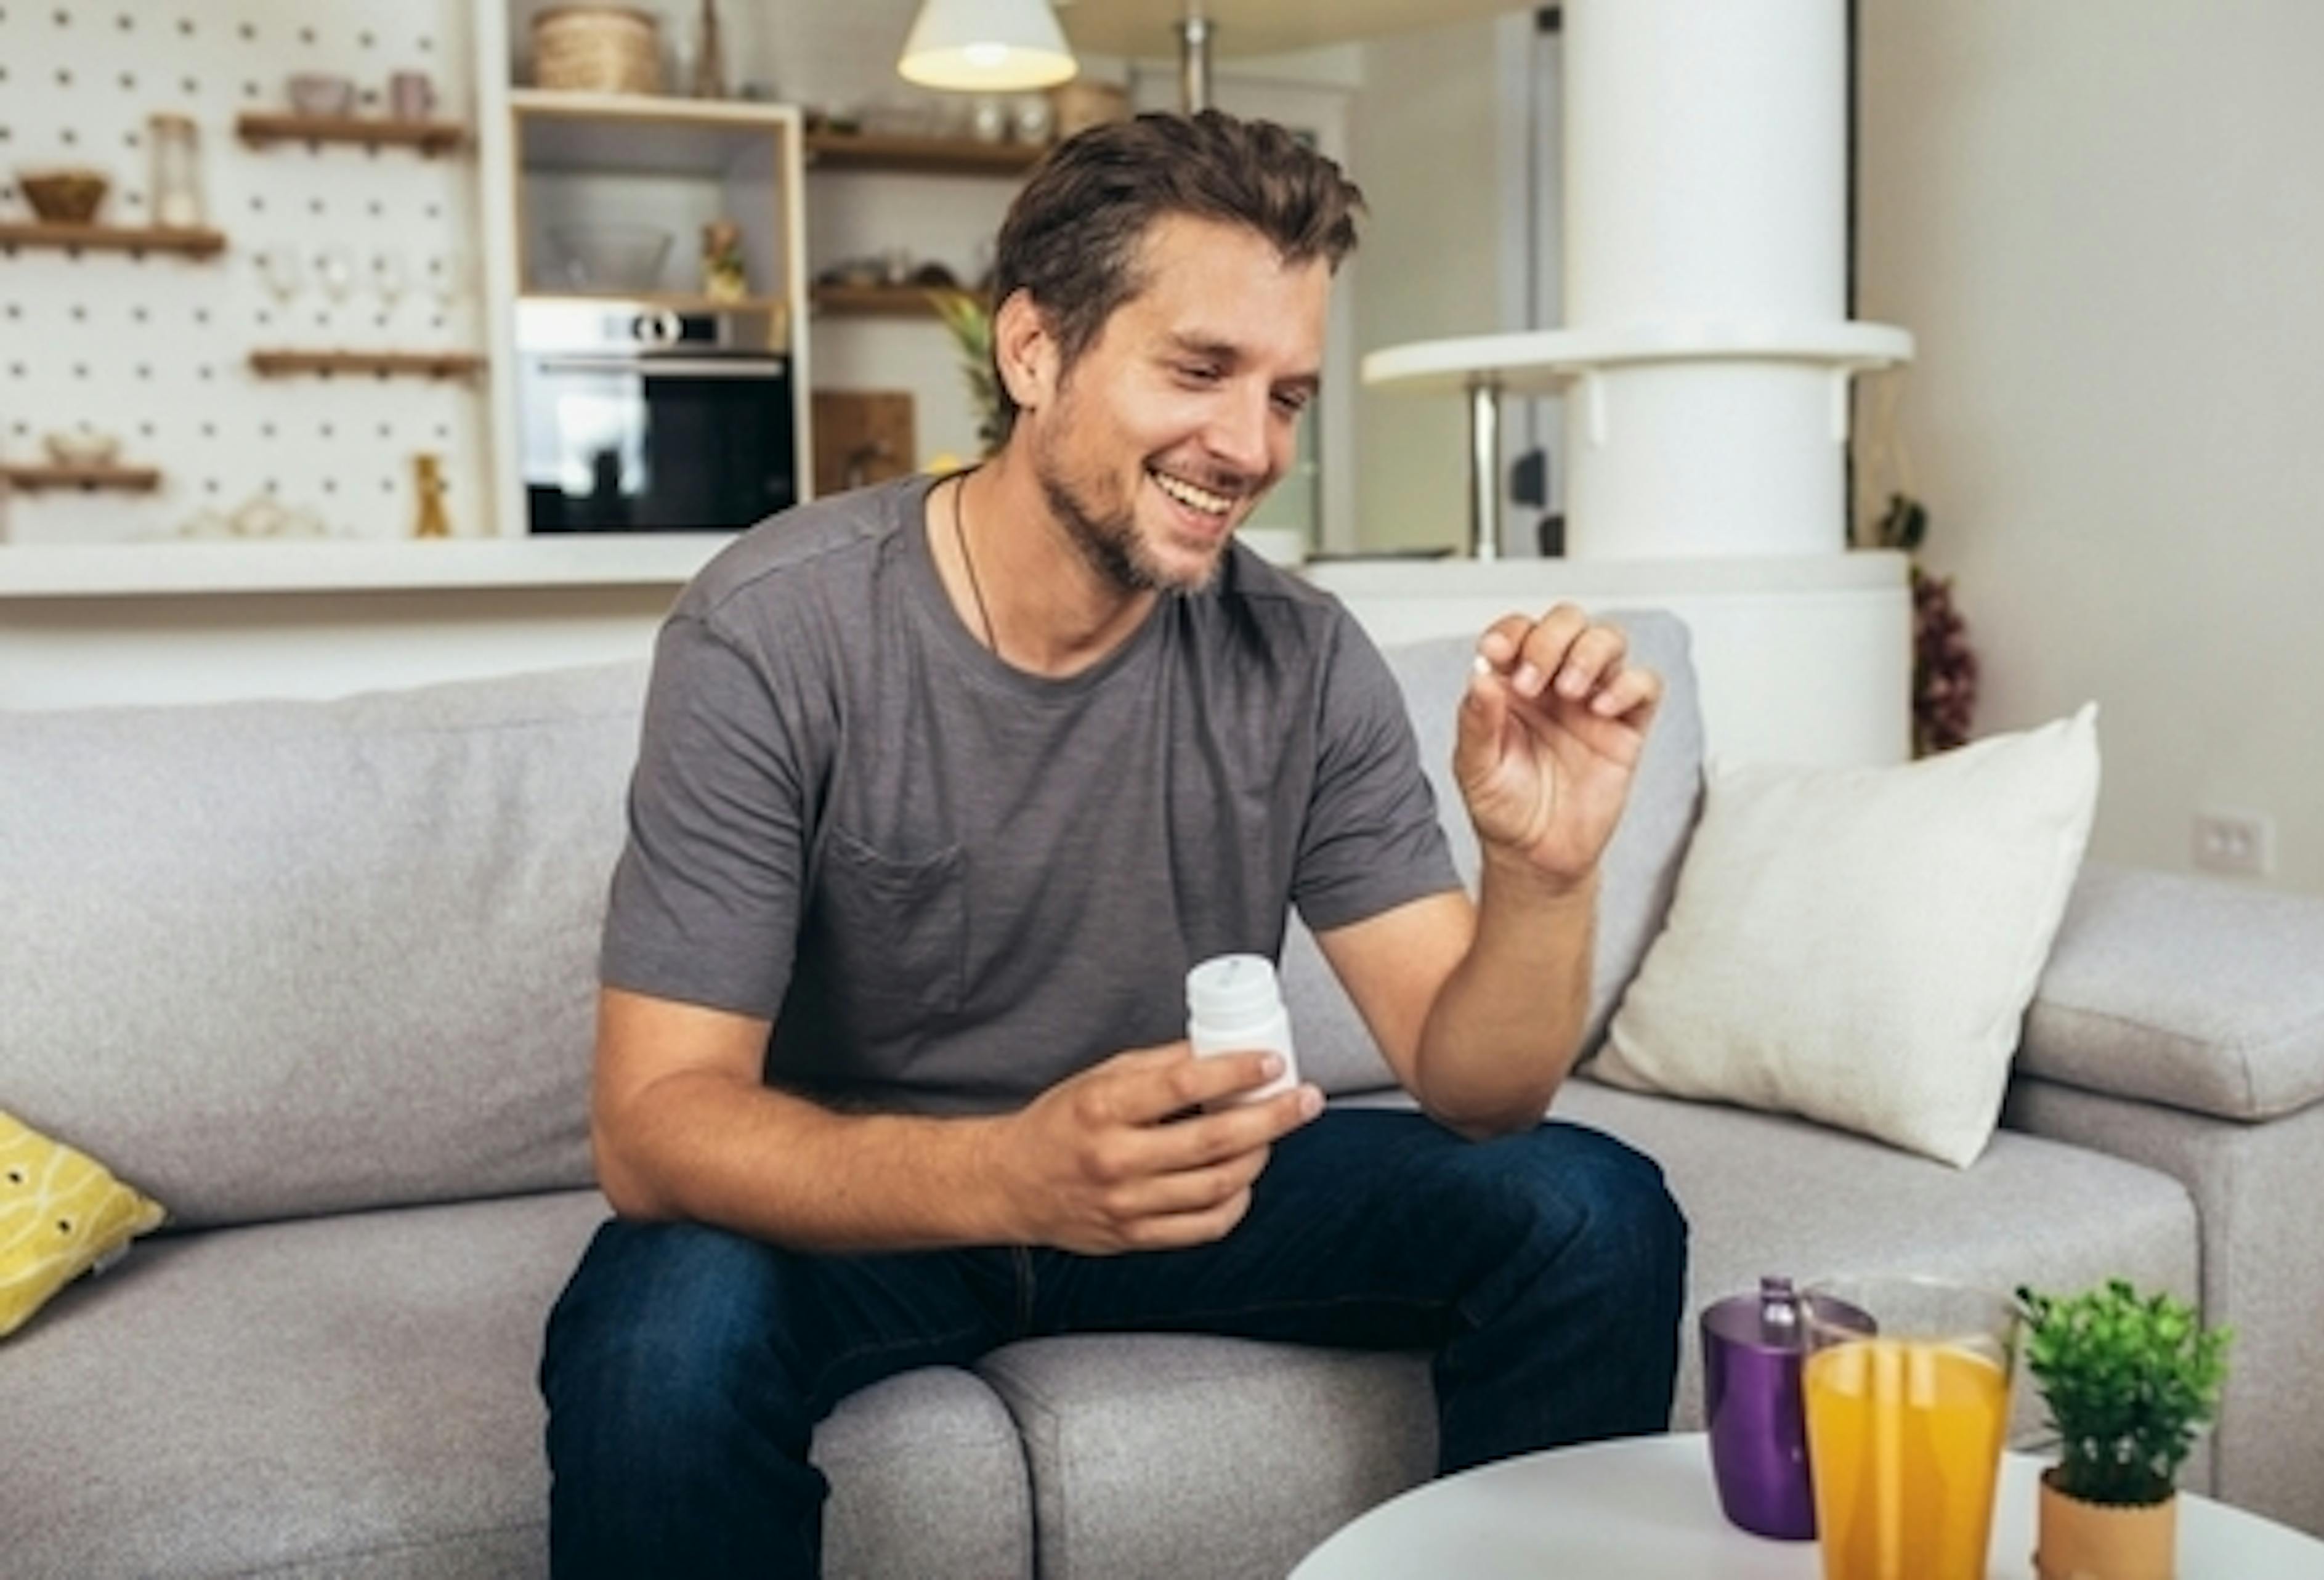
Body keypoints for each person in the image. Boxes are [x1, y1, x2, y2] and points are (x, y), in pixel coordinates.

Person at [540, 110, 1687, 1578]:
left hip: (1180, 1190)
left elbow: (1480, 1090)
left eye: (1287, 396)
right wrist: (1013, 1174)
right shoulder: (775, 631)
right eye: (1199, 370)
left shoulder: (1301, 655)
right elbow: (653, 1126)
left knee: (1588, 1207)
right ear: (1035, 352)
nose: (1249, 445)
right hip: (873, 1205)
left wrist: (1546, 871)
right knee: (658, 1330)